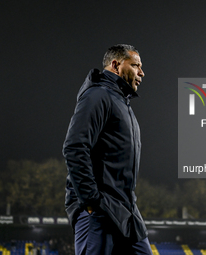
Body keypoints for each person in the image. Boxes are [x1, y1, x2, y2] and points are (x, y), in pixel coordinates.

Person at [63, 44, 152, 255]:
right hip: (100, 210)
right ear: (115, 65)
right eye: (136, 66)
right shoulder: (97, 95)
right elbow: (74, 146)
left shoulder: (121, 102)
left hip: (126, 210)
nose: (141, 72)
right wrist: (91, 200)